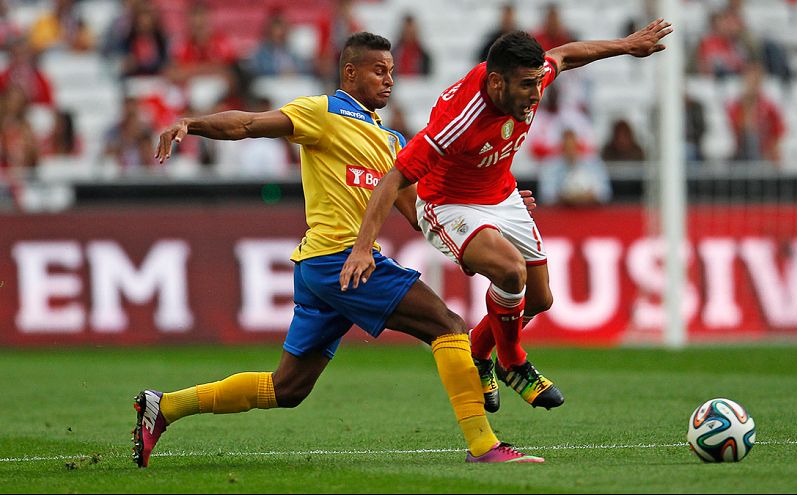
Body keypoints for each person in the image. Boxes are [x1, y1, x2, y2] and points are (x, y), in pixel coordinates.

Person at [132, 32, 543, 468]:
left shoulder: (391, 143)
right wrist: (190, 125)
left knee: (285, 389)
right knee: (448, 326)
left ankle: (165, 406)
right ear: (350, 72)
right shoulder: (324, 112)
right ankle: (484, 445)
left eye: (392, 72)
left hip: (324, 269)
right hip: (339, 259)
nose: (389, 81)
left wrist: (488, 210)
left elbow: (424, 212)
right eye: (378, 71)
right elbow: (249, 125)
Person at [341, 22, 672, 413]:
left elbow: (563, 55)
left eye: (537, 83)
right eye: (526, 86)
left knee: (539, 297)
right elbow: (393, 178)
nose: (535, 95)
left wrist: (626, 45)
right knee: (511, 271)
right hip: (448, 204)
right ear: (496, 83)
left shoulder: (530, 77)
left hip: (501, 194)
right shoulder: (457, 120)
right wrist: (362, 248)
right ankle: (513, 361)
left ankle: (480, 354)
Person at [538, 128, 611, 207]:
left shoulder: (593, 164)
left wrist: (585, 197)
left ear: (578, 145)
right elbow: (546, 196)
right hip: (561, 214)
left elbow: (605, 193)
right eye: (567, 146)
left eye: (573, 145)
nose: (570, 150)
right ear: (562, 147)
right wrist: (566, 197)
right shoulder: (550, 165)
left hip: (590, 212)